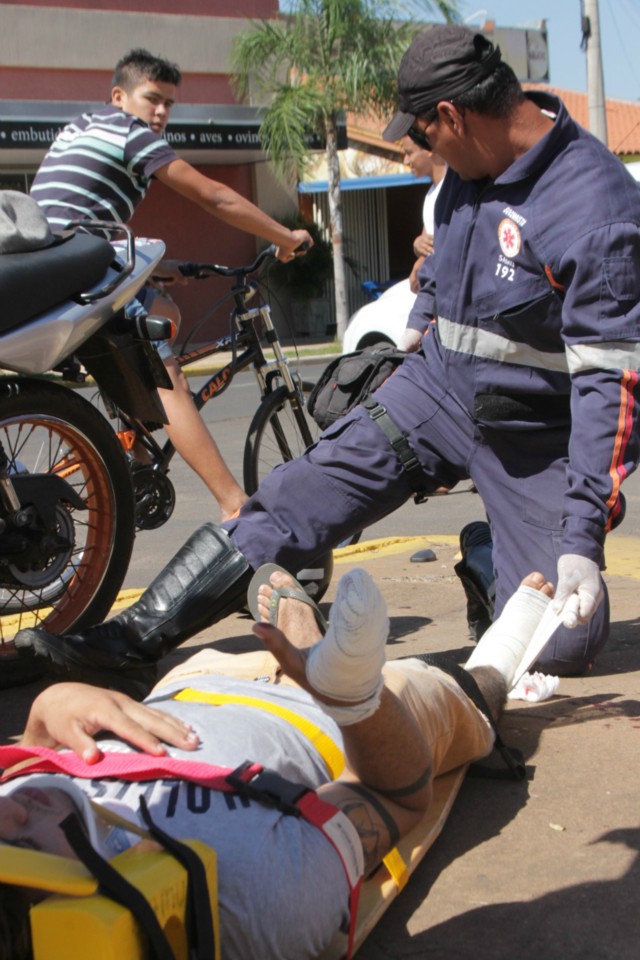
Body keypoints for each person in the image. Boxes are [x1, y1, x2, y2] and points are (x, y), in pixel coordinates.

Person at [16, 24, 640, 690]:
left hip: (532, 432)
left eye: (423, 135)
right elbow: (444, 267)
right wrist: (408, 347)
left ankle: (492, 558)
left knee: (565, 642)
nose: (419, 148)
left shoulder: (595, 212)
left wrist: (580, 538)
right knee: (292, 499)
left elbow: (614, 386)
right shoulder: (472, 166)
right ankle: (133, 639)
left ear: (453, 116)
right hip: (434, 392)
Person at [1, 566, 554, 960]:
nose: (11, 814)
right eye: (22, 852)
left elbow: (28, 770)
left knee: (283, 596)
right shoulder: (251, 900)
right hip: (336, 724)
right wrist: (354, 699)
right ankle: (499, 643)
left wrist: (43, 718)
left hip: (196, 681)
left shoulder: (21, 811)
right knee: (472, 696)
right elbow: (396, 797)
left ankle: (309, 647)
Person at [30, 48, 312, 522]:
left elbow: (83, 215)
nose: (160, 112)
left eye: (169, 105)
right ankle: (234, 507)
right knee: (166, 373)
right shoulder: (128, 131)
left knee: (166, 311)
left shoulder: (84, 124)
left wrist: (166, 266)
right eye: (152, 99)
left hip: (57, 262)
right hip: (79, 265)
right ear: (120, 96)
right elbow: (214, 196)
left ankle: (135, 444)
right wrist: (284, 238)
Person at [399, 135, 446, 299]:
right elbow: (426, 240)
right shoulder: (432, 193)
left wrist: (421, 265)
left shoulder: (451, 191)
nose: (405, 161)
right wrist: (417, 245)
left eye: (409, 153)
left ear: (428, 150)